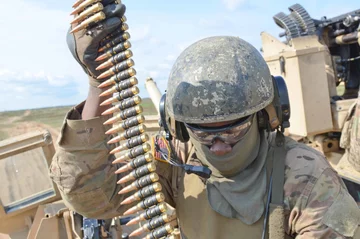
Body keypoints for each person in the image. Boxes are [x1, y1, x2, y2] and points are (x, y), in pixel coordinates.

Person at [50, 2, 360, 238]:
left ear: (265, 116)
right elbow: (91, 197)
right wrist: (98, 82)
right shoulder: (174, 154)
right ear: (178, 127)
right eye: (203, 133)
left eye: (234, 129)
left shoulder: (307, 175)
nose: (219, 146)